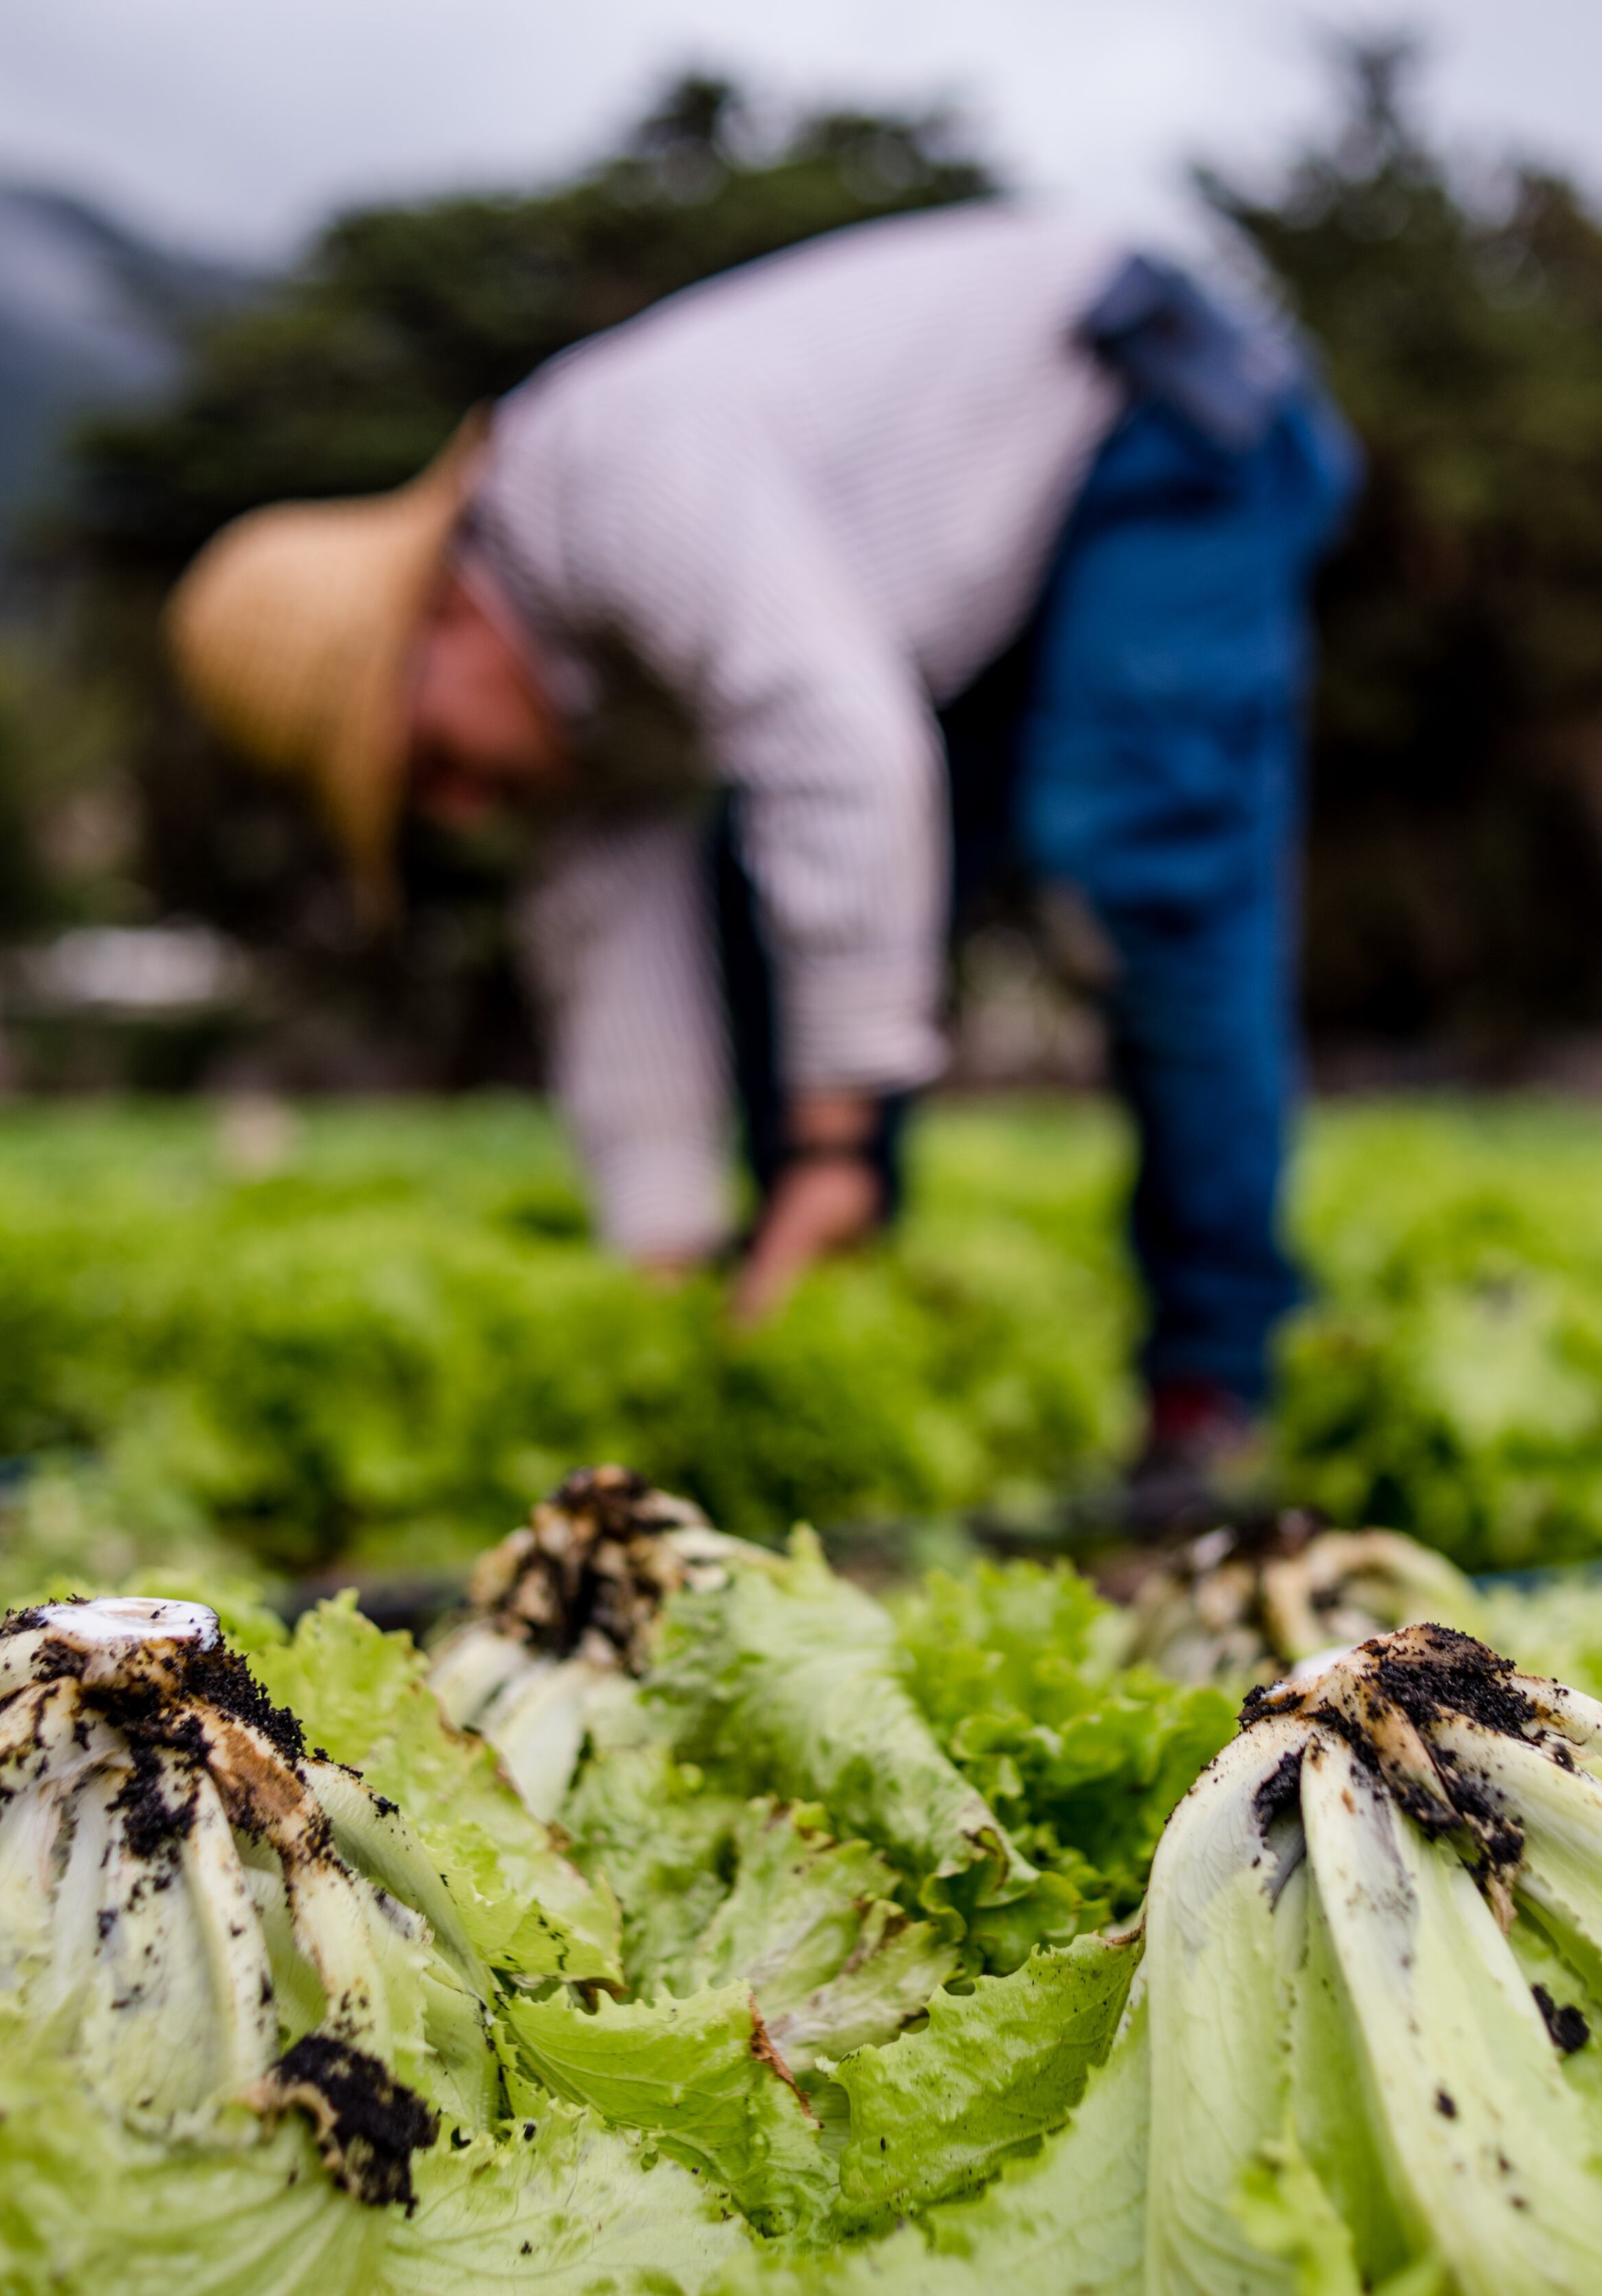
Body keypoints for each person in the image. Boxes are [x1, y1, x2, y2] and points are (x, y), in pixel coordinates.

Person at [166, 202, 1356, 1499]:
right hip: (980, 572)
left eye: (426, 760)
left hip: (1152, 409)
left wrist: (832, 1143)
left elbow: (841, 748)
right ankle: (844, 1347)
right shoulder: (570, 693)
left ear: (443, 620)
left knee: (1135, 853)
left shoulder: (622, 478)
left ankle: (1218, 1382)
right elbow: (614, 963)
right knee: (771, 894)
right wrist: (670, 1265)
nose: (456, 806)